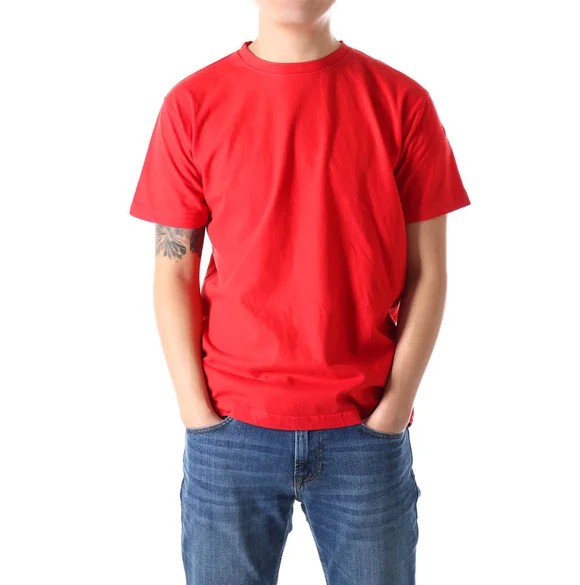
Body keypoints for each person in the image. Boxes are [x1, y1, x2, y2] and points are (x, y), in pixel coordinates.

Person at [129, 1, 471, 583]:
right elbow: (173, 269)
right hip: (230, 430)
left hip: (364, 431)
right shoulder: (190, 105)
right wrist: (196, 413)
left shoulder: (402, 103)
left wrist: (391, 412)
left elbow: (429, 271)